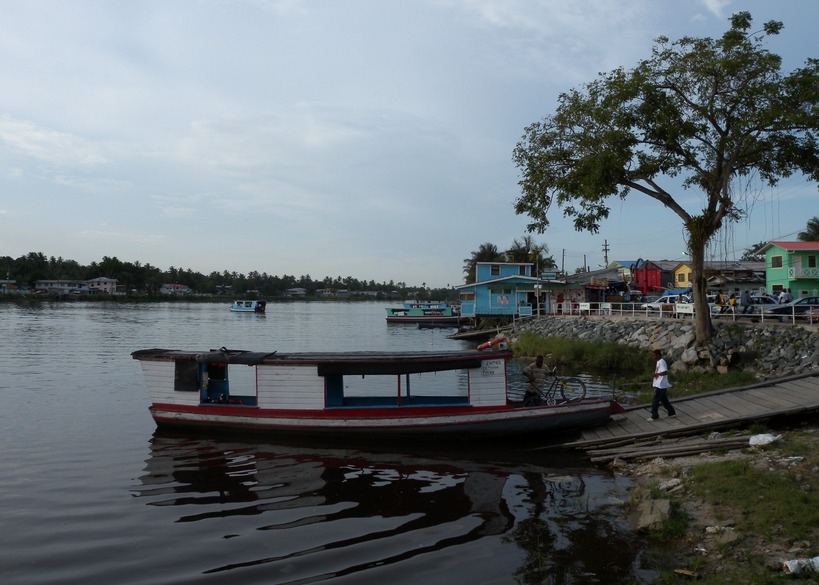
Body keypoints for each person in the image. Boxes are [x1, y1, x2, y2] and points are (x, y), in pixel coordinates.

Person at [648, 349, 676, 420]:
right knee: (664, 400)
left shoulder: (662, 362)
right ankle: (672, 413)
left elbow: (665, 372)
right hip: (658, 384)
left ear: (657, 355)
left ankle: (654, 416)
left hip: (661, 385)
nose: (653, 357)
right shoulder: (658, 362)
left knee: (655, 400)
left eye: (654, 355)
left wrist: (656, 374)